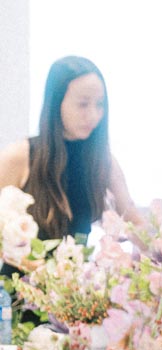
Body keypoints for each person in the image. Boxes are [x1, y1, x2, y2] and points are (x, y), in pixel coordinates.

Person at [0, 54, 141, 240]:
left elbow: (135, 223)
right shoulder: (20, 156)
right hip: (22, 270)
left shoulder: (101, 160)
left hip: (78, 269)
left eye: (99, 104)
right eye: (83, 104)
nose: (93, 115)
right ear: (56, 103)